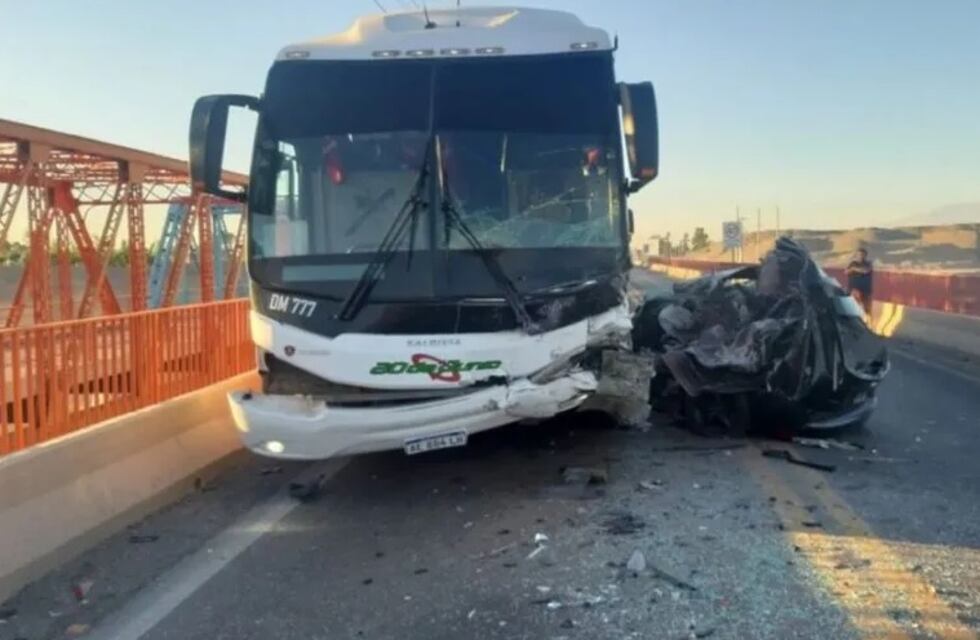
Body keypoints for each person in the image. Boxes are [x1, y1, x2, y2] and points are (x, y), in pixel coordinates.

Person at [846, 247, 874, 315]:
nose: (860, 256)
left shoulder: (868, 264)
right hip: (855, 289)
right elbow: (846, 271)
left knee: (867, 309)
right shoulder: (853, 263)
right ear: (856, 255)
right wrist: (853, 269)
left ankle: (867, 322)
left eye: (862, 255)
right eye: (859, 254)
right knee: (854, 307)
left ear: (865, 255)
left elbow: (865, 271)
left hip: (865, 289)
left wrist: (854, 269)